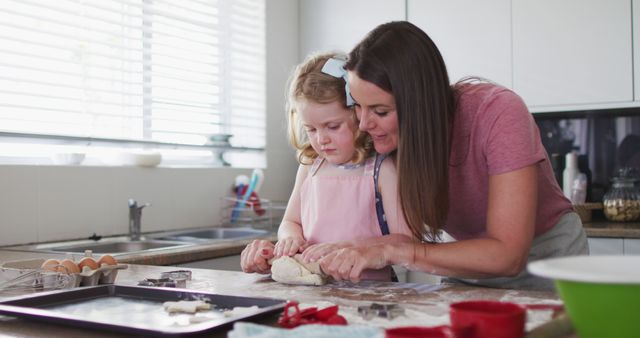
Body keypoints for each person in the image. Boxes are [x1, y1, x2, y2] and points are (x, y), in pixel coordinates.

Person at [303, 21, 588, 290]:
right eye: (358, 106)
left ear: (420, 105)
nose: (364, 124)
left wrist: (392, 250)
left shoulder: (498, 113)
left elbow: (508, 254)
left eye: (380, 111)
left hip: (549, 263)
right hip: (467, 264)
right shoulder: (386, 137)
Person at [240, 52, 413, 281]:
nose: (321, 139)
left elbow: (406, 241)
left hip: (371, 292)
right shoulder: (311, 167)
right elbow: (291, 221)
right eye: (311, 129)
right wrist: (290, 238)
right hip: (315, 291)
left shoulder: (381, 170)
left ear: (358, 115)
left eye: (332, 126)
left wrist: (353, 246)